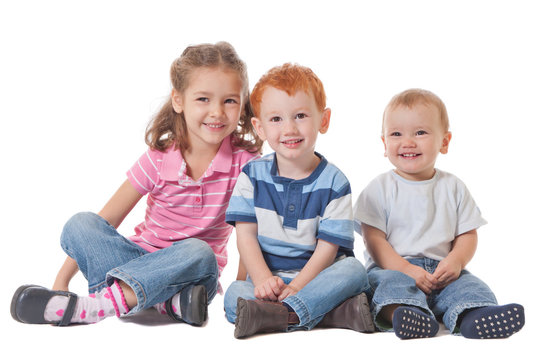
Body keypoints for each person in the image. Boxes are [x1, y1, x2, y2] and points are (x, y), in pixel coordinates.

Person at [10, 42, 262, 327]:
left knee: (199, 250)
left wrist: (241, 287)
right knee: (80, 224)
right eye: (203, 99)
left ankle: (94, 307)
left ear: (242, 105)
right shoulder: (158, 159)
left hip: (192, 270)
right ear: (178, 100)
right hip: (137, 260)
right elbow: (107, 220)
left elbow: (250, 233)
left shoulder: (247, 165)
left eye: (229, 101)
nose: (217, 112)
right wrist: (61, 281)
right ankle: (166, 302)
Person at [354, 88, 525, 339]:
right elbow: (374, 241)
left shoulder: (453, 187)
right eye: (396, 134)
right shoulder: (378, 188)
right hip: (395, 267)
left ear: (444, 142)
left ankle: (474, 316)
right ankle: (406, 314)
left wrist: (455, 262)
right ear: (384, 143)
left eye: (420, 132)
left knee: (469, 286)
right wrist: (406, 269)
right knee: (386, 286)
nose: (408, 142)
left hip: (443, 270)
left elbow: (467, 235)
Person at [224, 63, 374, 339]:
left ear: (323, 120)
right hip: (268, 278)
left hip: (318, 278)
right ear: (259, 127)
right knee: (235, 293)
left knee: (354, 271)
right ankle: (332, 313)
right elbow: (245, 236)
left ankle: (282, 314)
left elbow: (328, 249)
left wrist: (298, 288)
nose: (289, 128)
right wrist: (262, 280)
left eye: (301, 116)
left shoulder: (334, 182)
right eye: (276, 119)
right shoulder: (252, 176)